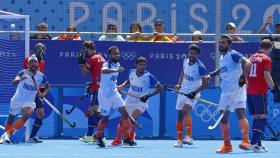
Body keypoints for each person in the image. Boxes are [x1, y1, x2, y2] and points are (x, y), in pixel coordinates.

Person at [208, 35, 252, 153]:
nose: (221, 44)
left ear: (229, 44)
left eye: (223, 43)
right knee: (223, 118)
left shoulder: (234, 54)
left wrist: (243, 76)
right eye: (220, 42)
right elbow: (222, 69)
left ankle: (246, 141)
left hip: (237, 89)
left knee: (240, 113)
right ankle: (227, 146)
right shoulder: (222, 58)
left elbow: (248, 63)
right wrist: (211, 74)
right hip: (225, 91)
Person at [110, 56, 163, 146]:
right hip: (130, 99)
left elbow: (160, 88)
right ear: (136, 65)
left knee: (132, 118)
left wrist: (148, 95)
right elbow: (129, 81)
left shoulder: (149, 76)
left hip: (141, 101)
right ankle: (118, 140)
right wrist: (121, 87)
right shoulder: (131, 72)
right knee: (123, 120)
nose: (142, 67)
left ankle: (130, 138)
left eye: (144, 65)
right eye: (140, 65)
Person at [0, 54, 50, 144]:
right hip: (17, 100)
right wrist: (20, 79)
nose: (33, 64)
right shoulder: (22, 72)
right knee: (11, 118)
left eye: (35, 62)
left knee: (27, 114)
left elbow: (47, 86)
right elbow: (14, 82)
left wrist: (43, 94)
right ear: (28, 65)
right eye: (31, 62)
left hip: (29, 101)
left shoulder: (41, 76)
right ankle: (6, 137)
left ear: (38, 65)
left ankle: (7, 134)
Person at [94, 46, 134, 147]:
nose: (117, 55)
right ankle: (98, 136)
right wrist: (116, 70)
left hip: (114, 93)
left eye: (118, 53)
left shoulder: (118, 64)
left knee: (124, 113)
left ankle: (126, 138)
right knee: (105, 118)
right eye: (114, 53)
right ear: (110, 55)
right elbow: (104, 71)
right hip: (104, 95)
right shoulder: (107, 64)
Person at [247, 39, 280, 152]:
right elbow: (266, 75)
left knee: (257, 117)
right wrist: (275, 88)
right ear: (269, 48)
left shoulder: (251, 57)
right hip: (259, 91)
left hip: (249, 91)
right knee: (262, 117)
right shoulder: (266, 59)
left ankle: (258, 144)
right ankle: (253, 143)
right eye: (271, 49)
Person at [173, 44, 209, 147]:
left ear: (198, 55)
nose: (192, 55)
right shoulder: (185, 61)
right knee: (180, 114)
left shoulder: (201, 67)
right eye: (191, 53)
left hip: (194, 93)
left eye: (194, 54)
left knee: (185, 110)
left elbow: (205, 84)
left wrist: (194, 92)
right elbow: (182, 73)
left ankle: (189, 137)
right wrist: (178, 84)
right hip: (182, 91)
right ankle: (179, 140)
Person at [77, 41, 105, 143]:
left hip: (98, 89)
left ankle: (100, 136)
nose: (84, 52)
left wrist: (81, 63)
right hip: (98, 87)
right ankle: (90, 136)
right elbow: (98, 75)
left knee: (96, 112)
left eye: (85, 50)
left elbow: (84, 73)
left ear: (89, 49)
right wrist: (91, 83)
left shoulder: (92, 59)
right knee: (91, 112)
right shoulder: (100, 57)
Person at [23, 43, 47, 143]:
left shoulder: (42, 62)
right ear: (35, 50)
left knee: (40, 114)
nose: (42, 51)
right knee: (23, 114)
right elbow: (25, 71)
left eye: (42, 49)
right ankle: (9, 133)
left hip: (36, 93)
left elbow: (41, 79)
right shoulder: (27, 59)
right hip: (26, 92)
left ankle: (32, 137)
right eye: (40, 49)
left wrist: (41, 93)